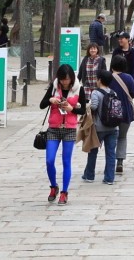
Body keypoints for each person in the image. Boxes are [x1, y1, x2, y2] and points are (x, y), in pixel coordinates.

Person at [40, 64, 88, 205]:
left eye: (67, 79)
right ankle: (54, 186)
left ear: (71, 78)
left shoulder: (79, 89)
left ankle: (64, 192)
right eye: (62, 80)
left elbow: (83, 110)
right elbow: (42, 104)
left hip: (69, 128)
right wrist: (51, 100)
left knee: (66, 161)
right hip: (54, 127)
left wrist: (71, 108)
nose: (65, 82)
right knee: (49, 160)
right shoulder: (55, 87)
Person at [82, 70, 120, 185]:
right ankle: (109, 178)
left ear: (99, 80)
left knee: (93, 152)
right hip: (113, 128)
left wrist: (86, 106)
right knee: (111, 153)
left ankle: (89, 175)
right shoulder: (114, 93)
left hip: (99, 128)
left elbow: (94, 107)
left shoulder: (95, 93)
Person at [108, 55, 134, 173]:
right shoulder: (128, 78)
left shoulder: (108, 77)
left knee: (111, 138)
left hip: (110, 113)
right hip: (125, 112)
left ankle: (110, 161)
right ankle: (120, 161)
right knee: (122, 137)